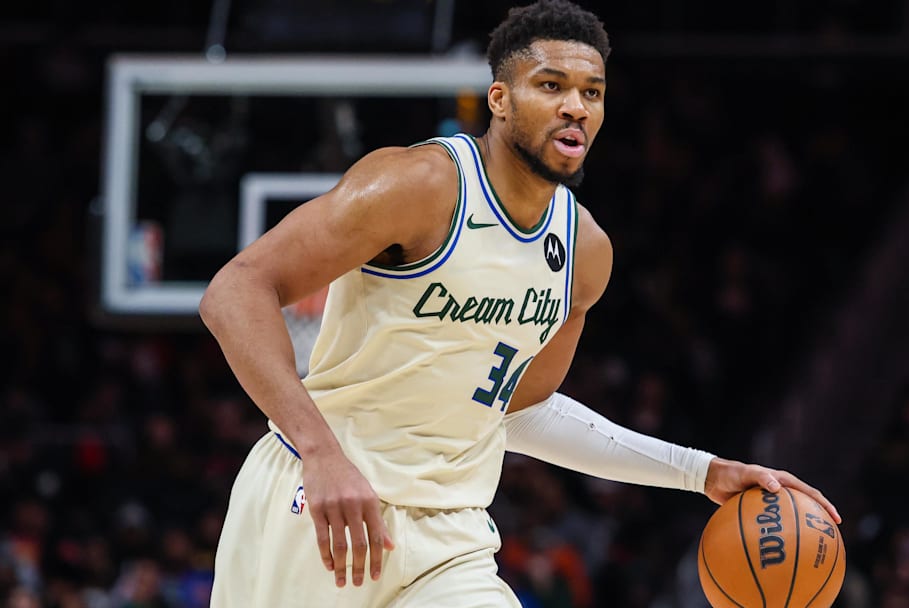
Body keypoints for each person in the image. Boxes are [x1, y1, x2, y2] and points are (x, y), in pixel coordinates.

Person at [199, 1, 841, 606]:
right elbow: (234, 291)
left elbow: (517, 410)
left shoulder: (585, 252)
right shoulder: (417, 186)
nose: (575, 108)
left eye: (591, 93)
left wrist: (701, 472)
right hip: (319, 503)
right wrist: (320, 450)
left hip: (450, 539)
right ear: (500, 99)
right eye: (551, 86)